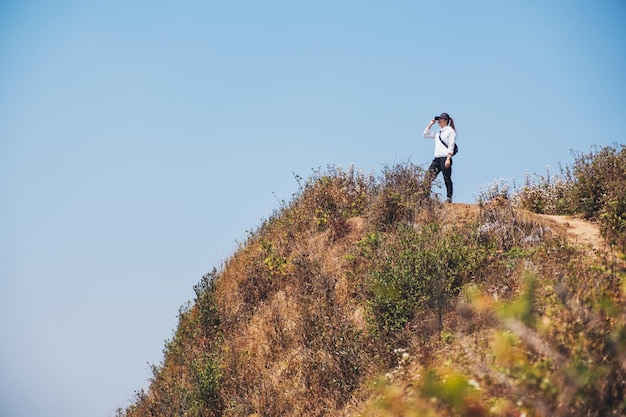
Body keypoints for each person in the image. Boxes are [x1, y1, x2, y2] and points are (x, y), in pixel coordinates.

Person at [423, 112, 457, 203]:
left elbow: (451, 145)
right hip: (437, 158)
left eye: (440, 119)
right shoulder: (438, 132)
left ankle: (449, 197)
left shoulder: (450, 131)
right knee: (428, 177)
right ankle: (425, 197)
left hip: (445, 157)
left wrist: (448, 158)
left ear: (445, 120)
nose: (438, 121)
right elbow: (425, 135)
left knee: (447, 178)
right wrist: (430, 124)